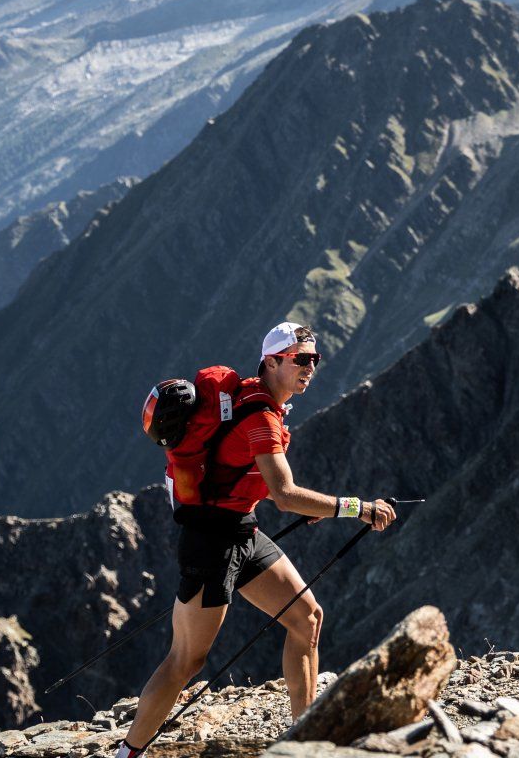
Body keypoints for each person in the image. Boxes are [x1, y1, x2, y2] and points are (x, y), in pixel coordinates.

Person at [114, 323, 396, 758]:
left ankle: (307, 739)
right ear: (271, 362)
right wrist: (356, 507)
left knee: (307, 619)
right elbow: (285, 495)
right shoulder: (261, 417)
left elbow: (246, 475)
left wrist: (311, 507)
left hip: (242, 531)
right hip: (211, 543)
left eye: (314, 360)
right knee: (186, 660)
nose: (310, 368)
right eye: (301, 359)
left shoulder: (253, 400)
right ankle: (128, 753)